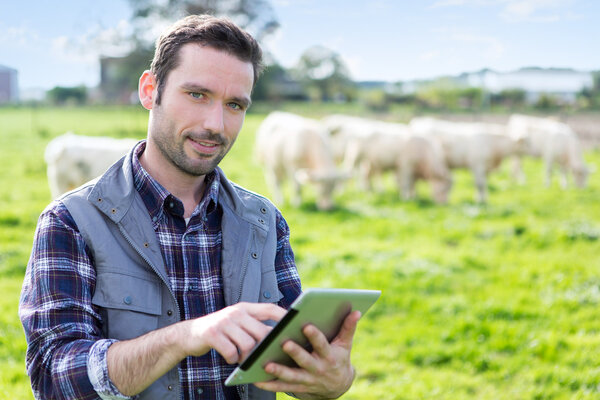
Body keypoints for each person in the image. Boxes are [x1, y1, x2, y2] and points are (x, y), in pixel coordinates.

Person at [19, 14, 361, 400]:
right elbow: (54, 378)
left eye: (234, 105)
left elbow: (292, 357)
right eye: (197, 95)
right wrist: (185, 336)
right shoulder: (70, 222)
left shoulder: (265, 221)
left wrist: (334, 379)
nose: (215, 124)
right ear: (150, 91)